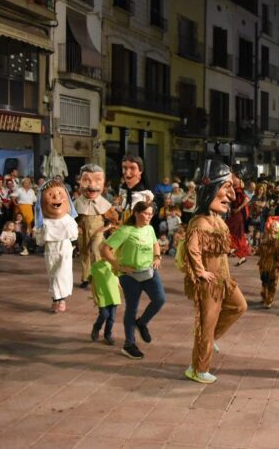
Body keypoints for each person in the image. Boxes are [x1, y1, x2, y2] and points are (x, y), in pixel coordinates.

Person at [179, 161, 247, 383]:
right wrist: (200, 272)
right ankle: (198, 369)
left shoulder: (216, 219)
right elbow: (191, 249)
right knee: (206, 325)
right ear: (209, 190)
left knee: (239, 306)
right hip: (209, 285)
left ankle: (209, 337)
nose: (231, 195)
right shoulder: (200, 222)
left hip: (224, 279)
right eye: (226, 188)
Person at [101, 200, 165, 360]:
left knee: (160, 299)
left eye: (151, 214)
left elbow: (155, 243)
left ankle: (141, 323)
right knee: (132, 308)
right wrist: (118, 265)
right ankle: (129, 344)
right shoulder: (125, 230)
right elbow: (105, 249)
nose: (149, 217)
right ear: (136, 213)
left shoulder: (150, 228)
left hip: (149, 272)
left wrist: (157, 257)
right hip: (130, 276)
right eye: (145, 213)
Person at [34, 180, 79, 313]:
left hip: (65, 248)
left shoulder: (68, 219)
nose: (56, 197)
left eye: (60, 193)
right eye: (51, 195)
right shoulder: (45, 222)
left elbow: (74, 235)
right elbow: (40, 240)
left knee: (63, 273)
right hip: (51, 250)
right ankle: (56, 298)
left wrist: (74, 244)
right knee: (53, 274)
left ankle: (61, 299)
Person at [74, 164, 116, 290]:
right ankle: (86, 278)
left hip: (98, 230)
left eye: (97, 180)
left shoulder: (104, 203)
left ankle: (98, 277)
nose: (92, 185)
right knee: (84, 254)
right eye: (87, 180)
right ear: (80, 181)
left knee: (97, 252)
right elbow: (71, 218)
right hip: (82, 230)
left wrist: (107, 228)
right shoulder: (77, 203)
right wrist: (76, 228)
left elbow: (113, 219)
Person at [256, 216, 279, 308]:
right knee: (265, 281)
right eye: (272, 225)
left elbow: (278, 252)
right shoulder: (266, 237)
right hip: (266, 263)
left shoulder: (276, 239)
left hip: (271, 263)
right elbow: (259, 251)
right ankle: (265, 298)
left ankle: (268, 299)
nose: (273, 227)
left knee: (270, 282)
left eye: (275, 226)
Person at [226, 173, 250, 266]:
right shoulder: (236, 189)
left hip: (238, 215)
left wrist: (239, 208)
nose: (231, 178)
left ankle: (233, 247)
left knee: (226, 228)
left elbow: (247, 199)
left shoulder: (238, 190)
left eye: (233, 177)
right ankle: (242, 257)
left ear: (238, 179)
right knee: (239, 236)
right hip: (236, 215)